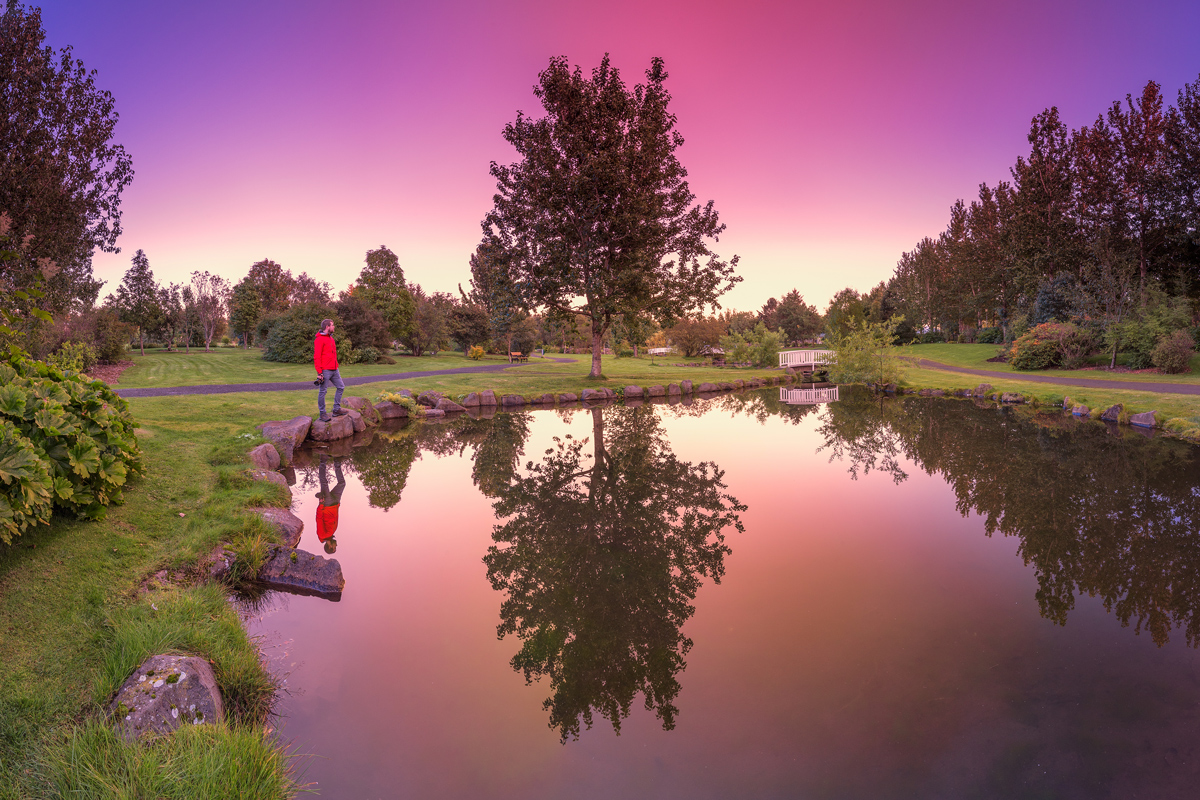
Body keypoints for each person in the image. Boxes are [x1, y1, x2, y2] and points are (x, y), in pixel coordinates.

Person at [314, 318, 347, 422]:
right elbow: (317, 357)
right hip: (325, 370)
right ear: (327, 327)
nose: (334, 327)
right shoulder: (319, 340)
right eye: (332, 325)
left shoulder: (331, 339)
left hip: (334, 369)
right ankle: (322, 413)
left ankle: (336, 409)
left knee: (341, 387)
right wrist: (319, 372)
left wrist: (336, 365)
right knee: (323, 391)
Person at [316, 454, 346, 554]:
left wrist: (321, 504)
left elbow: (319, 519)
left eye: (334, 547)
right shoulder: (332, 532)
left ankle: (323, 461)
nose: (336, 545)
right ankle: (337, 462)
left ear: (329, 547)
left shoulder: (322, 535)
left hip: (327, 504)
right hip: (335, 502)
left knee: (324, 482)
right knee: (342, 483)